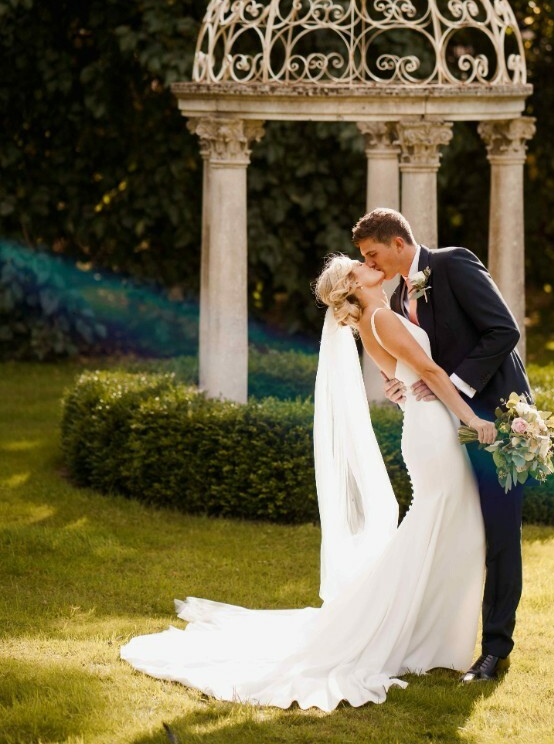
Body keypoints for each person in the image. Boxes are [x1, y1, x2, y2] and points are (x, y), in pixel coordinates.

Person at [120, 253, 492, 710]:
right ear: (353, 285)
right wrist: (473, 418)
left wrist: (406, 387)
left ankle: (426, 637)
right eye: (359, 263)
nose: (367, 262)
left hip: (426, 427)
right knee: (440, 526)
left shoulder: (379, 318)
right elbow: (430, 372)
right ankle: (408, 636)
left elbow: (404, 376)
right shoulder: (380, 319)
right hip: (433, 433)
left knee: (447, 528)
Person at [352, 207, 532, 683]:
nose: (370, 264)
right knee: (460, 531)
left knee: (499, 535)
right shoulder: (395, 299)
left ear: (397, 242)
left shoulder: (453, 264)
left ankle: (495, 650)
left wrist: (454, 384)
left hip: (497, 417)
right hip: (446, 429)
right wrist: (401, 385)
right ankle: (435, 635)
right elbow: (419, 363)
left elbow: (503, 331)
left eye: (372, 254)